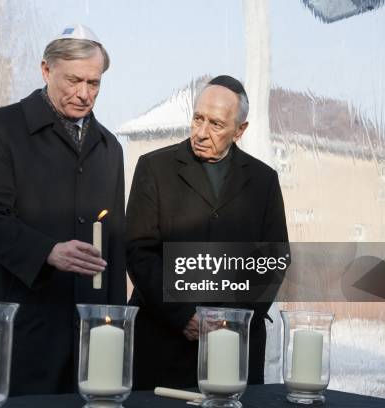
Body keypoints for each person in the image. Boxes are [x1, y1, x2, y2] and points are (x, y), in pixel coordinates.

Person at [0, 24, 126, 396]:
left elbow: (114, 241)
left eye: (94, 83)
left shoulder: (109, 148)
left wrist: (112, 323)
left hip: (87, 333)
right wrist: (47, 252)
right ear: (46, 70)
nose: (84, 94)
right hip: (18, 324)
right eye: (73, 80)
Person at [126, 75, 289, 390]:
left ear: (240, 130)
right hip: (164, 345)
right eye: (197, 118)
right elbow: (139, 251)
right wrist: (182, 314)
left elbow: (273, 259)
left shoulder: (263, 180)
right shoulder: (154, 168)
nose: (201, 133)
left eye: (215, 124)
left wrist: (232, 322)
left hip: (235, 350)